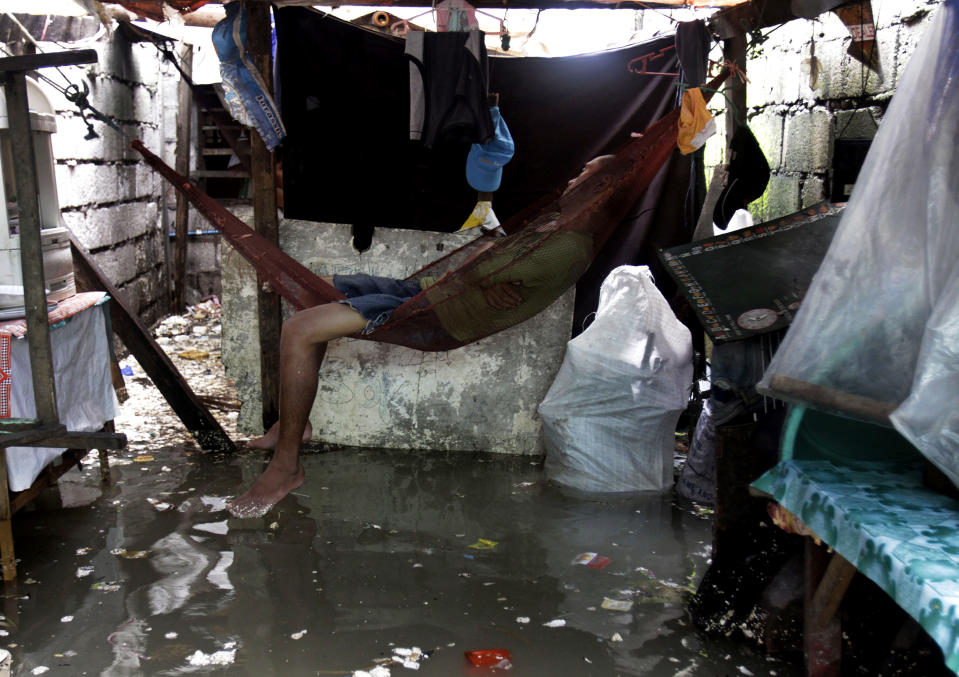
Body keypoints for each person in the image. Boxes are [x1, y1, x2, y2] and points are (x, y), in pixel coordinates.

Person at [227, 155, 614, 519]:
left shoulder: (569, 245)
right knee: (309, 292)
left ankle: (286, 465)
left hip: (438, 313)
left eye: (586, 174)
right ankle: (294, 426)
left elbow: (489, 272)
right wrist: (488, 277)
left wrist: (487, 278)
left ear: (603, 188)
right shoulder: (556, 227)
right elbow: (489, 268)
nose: (574, 178)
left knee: (299, 329)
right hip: (428, 291)